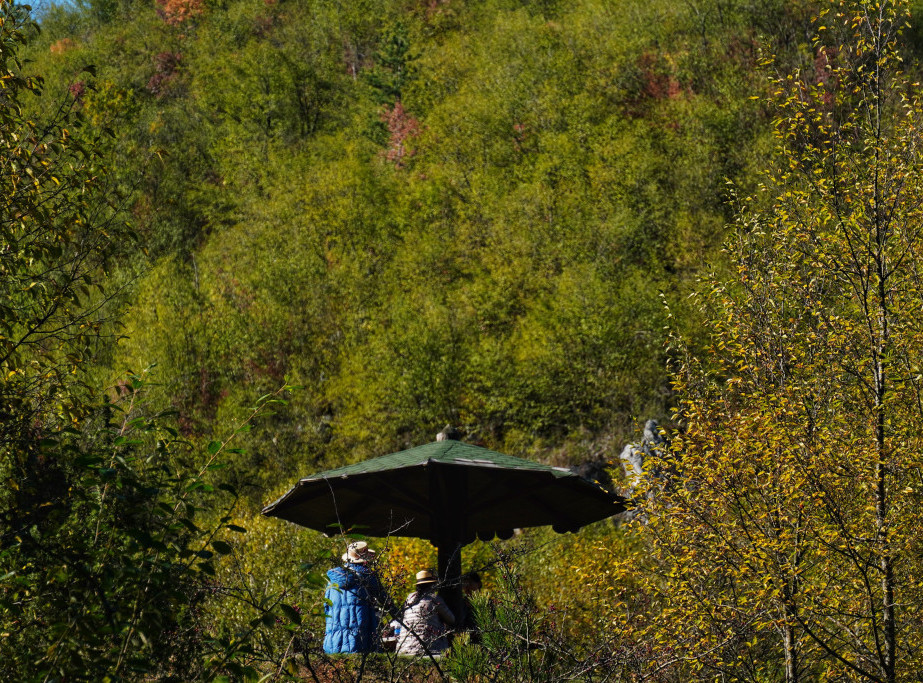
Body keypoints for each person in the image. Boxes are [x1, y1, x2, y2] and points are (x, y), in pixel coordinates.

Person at [323, 541, 388, 654]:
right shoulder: (367, 576)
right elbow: (386, 601)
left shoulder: (332, 581)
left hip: (332, 644)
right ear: (365, 560)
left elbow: (326, 608)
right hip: (360, 640)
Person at [394, 569, 456, 656]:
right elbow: (451, 619)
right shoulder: (434, 599)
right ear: (432, 585)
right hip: (430, 649)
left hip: (404, 649)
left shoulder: (409, 599)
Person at [460, 572, 483, 645]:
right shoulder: (461, 603)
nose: (467, 587)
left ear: (479, 584)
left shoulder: (486, 603)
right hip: (466, 642)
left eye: (470, 583)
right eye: (465, 584)